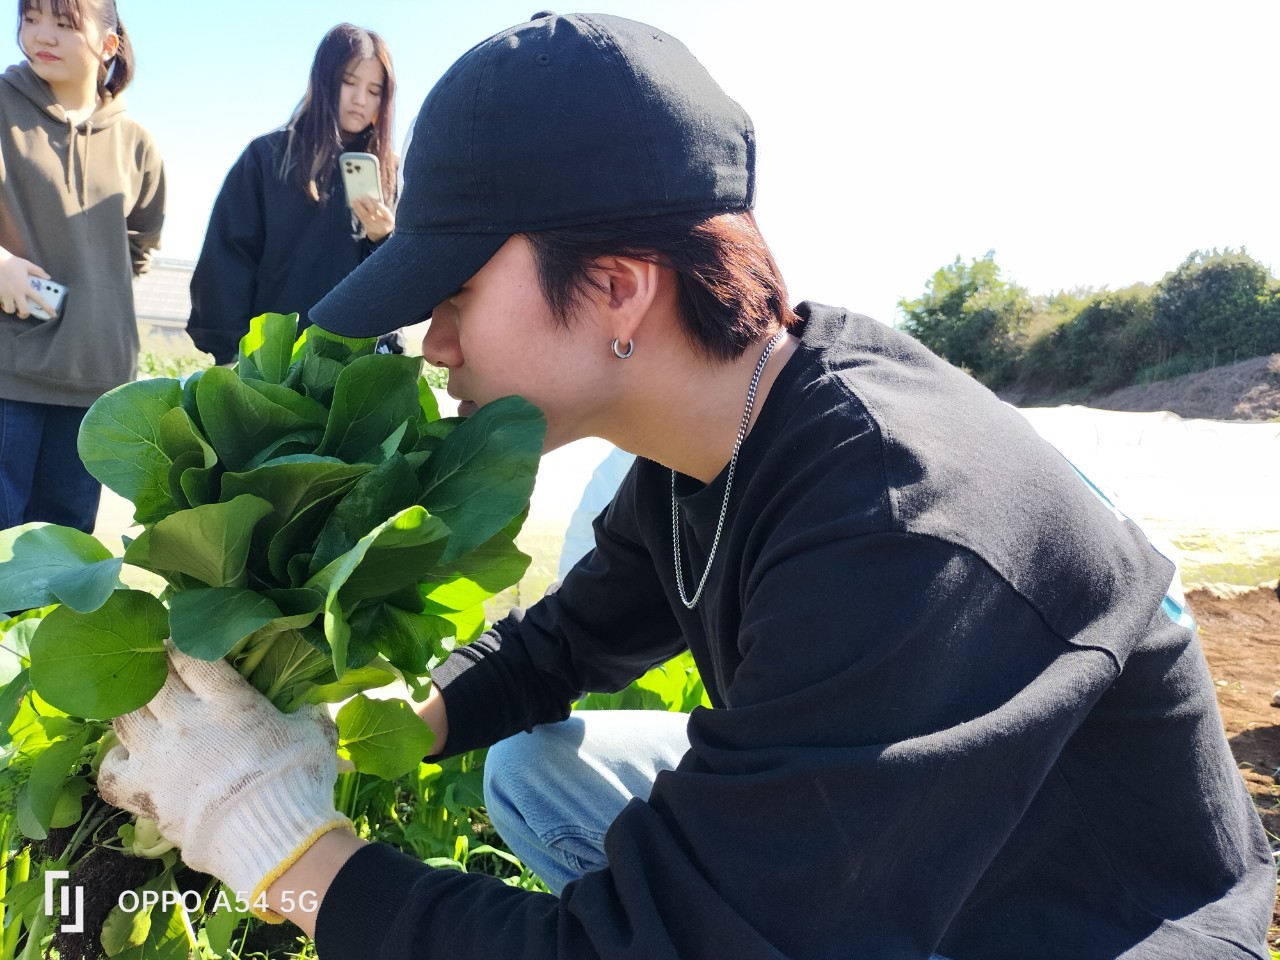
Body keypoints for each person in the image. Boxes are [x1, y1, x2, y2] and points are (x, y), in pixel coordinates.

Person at [98, 13, 1276, 960]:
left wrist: (277, 845)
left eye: (454, 294)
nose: (434, 342)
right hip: (923, 844)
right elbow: (567, 641)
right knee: (534, 767)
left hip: (1089, 920)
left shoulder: (896, 531)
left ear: (615, 288)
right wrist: (374, 731)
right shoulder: (722, 426)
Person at [0, 0, 163, 534]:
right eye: (29, 17)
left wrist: (95, 304)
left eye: (64, 22)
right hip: (9, 376)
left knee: (61, 575)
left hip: (95, 383)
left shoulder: (137, 143)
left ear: (108, 44)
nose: (40, 34)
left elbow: (140, 245)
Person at [184, 23, 401, 366]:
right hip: (268, 368)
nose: (361, 99)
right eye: (349, 82)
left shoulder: (390, 172)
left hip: (352, 372)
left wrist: (383, 239)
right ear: (323, 78)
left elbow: (404, 286)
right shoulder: (268, 156)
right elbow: (225, 259)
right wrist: (230, 354)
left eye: (375, 90)